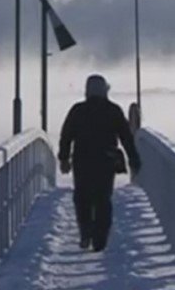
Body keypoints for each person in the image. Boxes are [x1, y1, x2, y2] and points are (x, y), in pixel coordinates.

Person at [58, 74, 141, 252]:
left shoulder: (78, 111)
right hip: (106, 161)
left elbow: (66, 135)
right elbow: (126, 137)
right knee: (103, 199)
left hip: (82, 160)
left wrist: (64, 158)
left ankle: (85, 231)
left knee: (82, 197)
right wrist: (133, 158)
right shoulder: (113, 110)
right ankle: (100, 239)